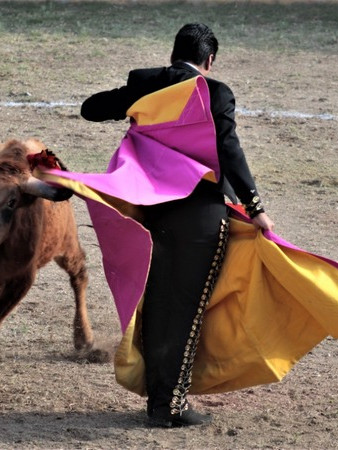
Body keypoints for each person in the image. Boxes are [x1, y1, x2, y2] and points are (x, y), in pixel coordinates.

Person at [80, 23, 275, 428]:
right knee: (186, 307)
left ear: (173, 55)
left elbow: (91, 108)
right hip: (200, 216)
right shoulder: (214, 92)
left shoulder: (147, 84)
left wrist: (135, 97)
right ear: (210, 60)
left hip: (152, 214)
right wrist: (255, 206)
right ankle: (169, 406)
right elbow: (228, 149)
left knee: (157, 302)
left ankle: (158, 400)